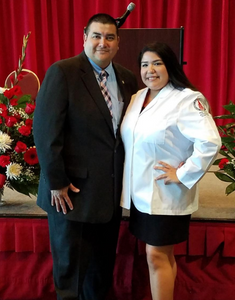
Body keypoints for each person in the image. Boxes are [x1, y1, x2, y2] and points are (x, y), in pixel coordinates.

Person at [33, 13, 138, 300]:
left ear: (118, 42)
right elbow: (45, 132)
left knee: (100, 274)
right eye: (96, 35)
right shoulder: (63, 72)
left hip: (110, 195)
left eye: (109, 37)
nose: (102, 42)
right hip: (71, 194)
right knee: (71, 275)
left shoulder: (129, 80)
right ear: (85, 38)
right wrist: (57, 182)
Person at [120, 42, 221, 300]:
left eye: (157, 63)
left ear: (170, 66)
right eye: (144, 65)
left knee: (156, 256)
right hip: (140, 195)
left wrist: (183, 173)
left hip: (166, 193)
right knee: (159, 255)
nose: (150, 70)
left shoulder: (186, 99)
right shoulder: (137, 98)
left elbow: (210, 142)